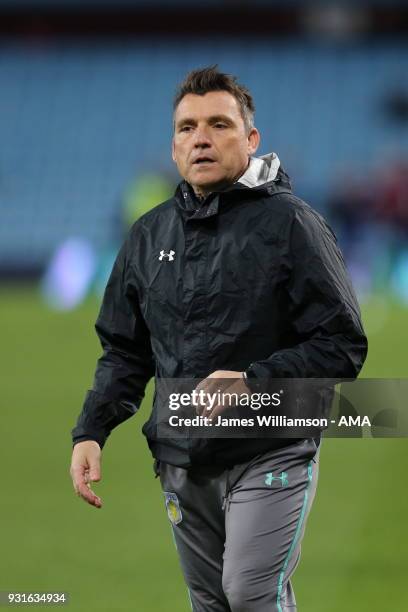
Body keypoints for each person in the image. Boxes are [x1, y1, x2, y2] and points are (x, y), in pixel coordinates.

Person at [70, 66, 367, 611]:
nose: (200, 138)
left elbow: (343, 343)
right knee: (211, 604)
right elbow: (124, 349)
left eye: (218, 124)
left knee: (250, 595)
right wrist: (92, 430)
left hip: (272, 443)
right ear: (174, 144)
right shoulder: (148, 234)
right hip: (181, 455)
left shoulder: (293, 225)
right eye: (186, 128)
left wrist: (256, 381)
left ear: (251, 139)